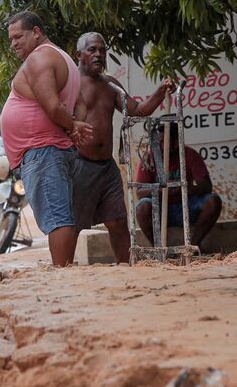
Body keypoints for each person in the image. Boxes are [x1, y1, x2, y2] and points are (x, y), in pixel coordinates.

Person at [0, 11, 93, 266]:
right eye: (11, 39)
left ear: (36, 32)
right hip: (52, 148)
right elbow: (80, 103)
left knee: (57, 217)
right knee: (61, 215)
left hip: (43, 150)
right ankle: (64, 268)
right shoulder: (63, 58)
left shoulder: (39, 58)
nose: (13, 43)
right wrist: (73, 128)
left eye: (18, 36)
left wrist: (72, 126)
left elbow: (52, 106)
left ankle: (61, 271)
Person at [74, 32, 176, 263]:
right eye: (92, 50)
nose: (98, 54)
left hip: (106, 166)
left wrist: (160, 91)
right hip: (79, 164)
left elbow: (138, 110)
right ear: (79, 55)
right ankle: (63, 271)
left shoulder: (110, 84)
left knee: (118, 221)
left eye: (102, 50)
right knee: (73, 224)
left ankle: (126, 267)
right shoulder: (71, 83)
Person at [135, 119, 222, 247]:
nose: (161, 145)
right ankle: (158, 248)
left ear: (176, 141)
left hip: (186, 206)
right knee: (142, 207)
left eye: (165, 142)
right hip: (160, 209)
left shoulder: (189, 154)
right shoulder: (149, 157)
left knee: (213, 201)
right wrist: (161, 189)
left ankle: (193, 246)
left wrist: (185, 188)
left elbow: (206, 186)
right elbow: (140, 193)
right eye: (159, 141)